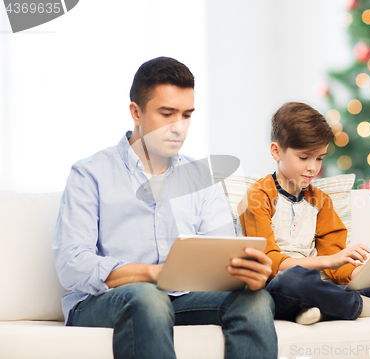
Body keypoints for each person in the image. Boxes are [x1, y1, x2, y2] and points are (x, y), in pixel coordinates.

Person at [52, 57, 277, 359]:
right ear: (136, 112)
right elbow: (73, 265)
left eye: (186, 115)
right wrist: (152, 273)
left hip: (179, 299)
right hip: (101, 302)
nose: (179, 128)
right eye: (167, 113)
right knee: (148, 296)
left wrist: (247, 272)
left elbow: (221, 254)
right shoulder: (90, 174)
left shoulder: (201, 178)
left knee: (256, 299)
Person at [238, 101, 370, 325]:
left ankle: (323, 309)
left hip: (319, 287)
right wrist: (328, 261)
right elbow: (270, 263)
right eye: (304, 157)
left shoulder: (321, 201)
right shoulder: (258, 197)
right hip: (279, 287)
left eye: (319, 158)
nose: (313, 168)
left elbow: (339, 265)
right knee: (295, 279)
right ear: (276, 151)